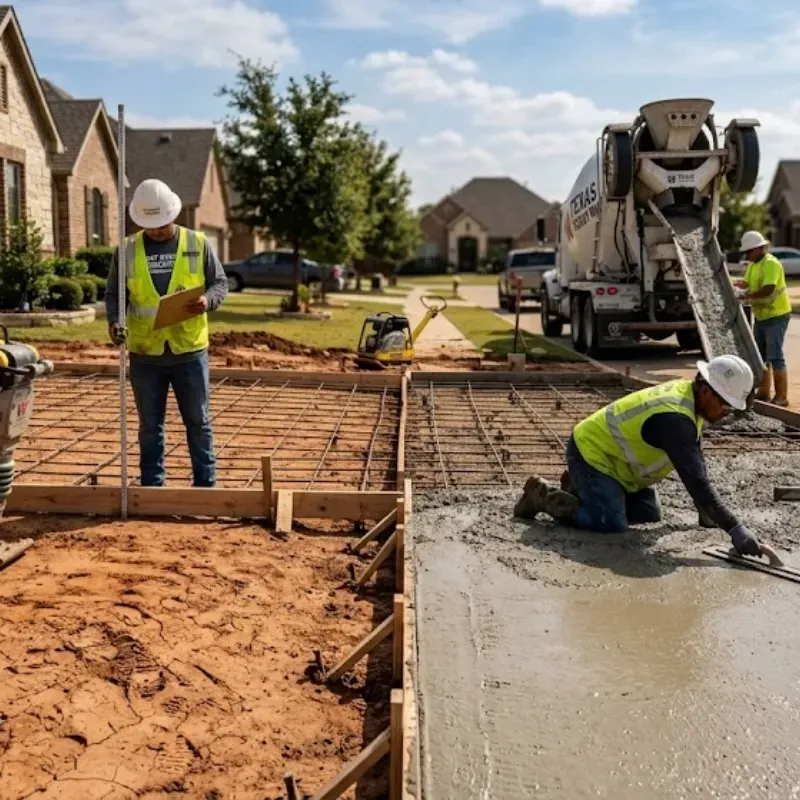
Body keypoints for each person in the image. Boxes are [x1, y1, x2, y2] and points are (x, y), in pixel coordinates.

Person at [513, 355, 765, 557]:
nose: (726, 413)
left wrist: (707, 513)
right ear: (707, 391)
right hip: (592, 455)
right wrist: (734, 528)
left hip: (618, 467)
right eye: (726, 404)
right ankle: (543, 497)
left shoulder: (692, 403)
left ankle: (580, 489)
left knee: (649, 513)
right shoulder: (674, 418)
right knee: (612, 525)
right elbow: (696, 481)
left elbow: (695, 462)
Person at [105, 178, 229, 487]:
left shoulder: (197, 242)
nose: (158, 229)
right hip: (146, 354)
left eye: (162, 222)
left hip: (189, 351)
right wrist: (114, 321)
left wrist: (207, 300)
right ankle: (152, 484)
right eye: (152, 224)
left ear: (173, 213)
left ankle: (205, 484)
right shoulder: (127, 249)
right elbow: (114, 295)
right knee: (150, 425)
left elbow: (220, 283)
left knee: (198, 422)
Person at [735, 230, 791, 407]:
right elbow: (749, 282)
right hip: (762, 315)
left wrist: (748, 296)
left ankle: (782, 396)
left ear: (759, 248)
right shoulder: (753, 264)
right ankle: (764, 392)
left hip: (776, 314)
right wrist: (740, 285)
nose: (747, 255)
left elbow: (768, 289)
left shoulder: (771, 264)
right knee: (760, 355)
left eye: (749, 251)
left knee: (775, 356)